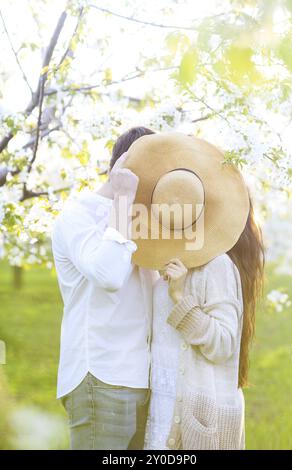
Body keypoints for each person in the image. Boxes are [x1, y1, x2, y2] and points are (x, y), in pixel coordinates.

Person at [121, 132, 265, 450]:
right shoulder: (165, 263)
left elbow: (225, 343)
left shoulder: (216, 268)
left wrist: (180, 299)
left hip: (197, 422)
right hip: (162, 413)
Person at [51, 126, 158, 450]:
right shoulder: (77, 217)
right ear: (126, 168)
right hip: (101, 378)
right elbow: (110, 275)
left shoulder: (141, 217)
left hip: (141, 380)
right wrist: (123, 196)